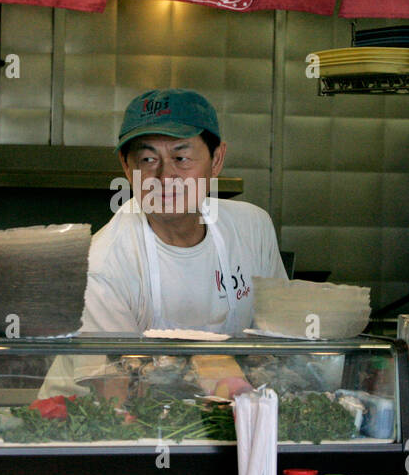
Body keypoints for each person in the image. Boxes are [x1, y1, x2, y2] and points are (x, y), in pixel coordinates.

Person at [81, 88, 287, 334]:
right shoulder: (100, 267)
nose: (165, 176)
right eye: (148, 159)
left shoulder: (253, 227)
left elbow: (280, 338)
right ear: (127, 166)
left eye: (181, 157)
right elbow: (112, 372)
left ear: (217, 159)